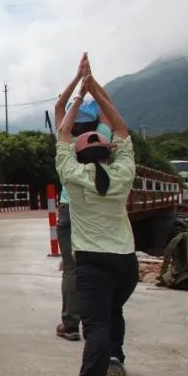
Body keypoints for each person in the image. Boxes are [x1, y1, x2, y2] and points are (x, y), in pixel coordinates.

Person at [44, 55, 137, 376]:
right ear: (109, 153)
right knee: (114, 313)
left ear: (79, 156)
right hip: (126, 261)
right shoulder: (123, 172)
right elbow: (123, 129)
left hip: (93, 263)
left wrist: (80, 93)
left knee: (95, 323)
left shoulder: (73, 177)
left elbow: (64, 132)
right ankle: (115, 358)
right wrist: (95, 88)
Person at [53, 58, 114, 342]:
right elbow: (107, 110)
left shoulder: (66, 146)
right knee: (99, 264)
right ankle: (100, 320)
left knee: (72, 268)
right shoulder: (101, 139)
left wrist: (78, 81)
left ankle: (70, 324)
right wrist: (92, 82)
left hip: (69, 209)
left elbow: (58, 108)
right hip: (98, 210)